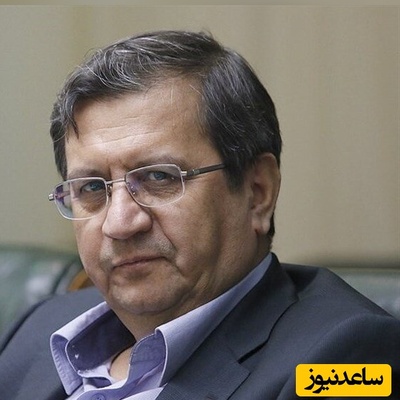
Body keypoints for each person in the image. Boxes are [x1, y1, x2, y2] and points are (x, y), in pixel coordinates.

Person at [0, 30, 399, 400]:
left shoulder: (349, 358)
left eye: (158, 177)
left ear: (257, 192)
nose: (119, 224)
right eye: (90, 188)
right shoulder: (41, 327)